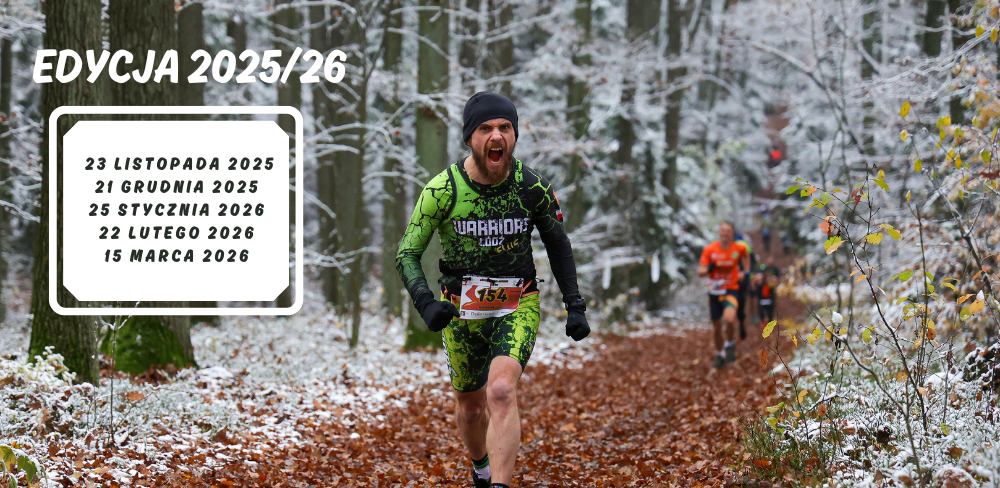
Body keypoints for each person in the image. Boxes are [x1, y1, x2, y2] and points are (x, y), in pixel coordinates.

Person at [396, 91, 590, 488]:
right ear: (470, 138)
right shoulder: (442, 190)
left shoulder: (532, 186)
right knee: (470, 408)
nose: (496, 136)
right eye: (485, 128)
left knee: (500, 390)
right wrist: (426, 302)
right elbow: (407, 253)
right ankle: (481, 469)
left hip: (517, 304)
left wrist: (575, 304)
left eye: (504, 127)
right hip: (460, 312)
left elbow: (558, 245)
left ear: (514, 136)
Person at [699, 222, 750, 367]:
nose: (725, 233)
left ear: (733, 233)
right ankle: (720, 353)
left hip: (730, 289)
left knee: (729, 319)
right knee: (716, 326)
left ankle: (730, 344)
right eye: (723, 230)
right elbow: (701, 271)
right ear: (719, 232)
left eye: (728, 231)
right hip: (714, 292)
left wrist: (744, 271)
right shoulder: (710, 249)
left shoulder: (738, 248)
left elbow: (746, 257)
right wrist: (709, 269)